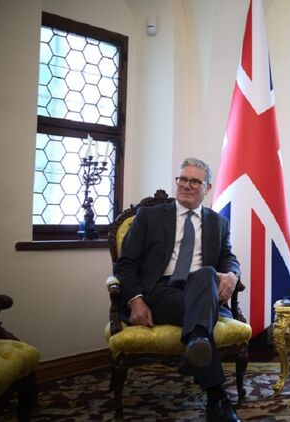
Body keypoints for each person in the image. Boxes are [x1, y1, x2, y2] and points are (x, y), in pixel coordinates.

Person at [114, 158, 241, 422]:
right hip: (158, 292)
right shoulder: (148, 216)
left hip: (200, 289)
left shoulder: (218, 222)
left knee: (207, 273)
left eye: (195, 181)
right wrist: (135, 299)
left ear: (207, 187)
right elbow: (125, 264)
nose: (186, 185)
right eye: (182, 179)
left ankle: (197, 343)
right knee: (203, 308)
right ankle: (216, 395)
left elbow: (228, 258)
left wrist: (232, 274)